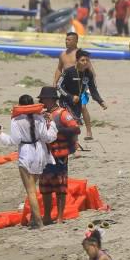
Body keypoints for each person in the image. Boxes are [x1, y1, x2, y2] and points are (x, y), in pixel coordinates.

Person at [0, 94, 57, 229]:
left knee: (30, 190)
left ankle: (38, 221)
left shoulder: (16, 120)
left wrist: (0, 134)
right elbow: (48, 137)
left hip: (26, 152)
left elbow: (14, 141)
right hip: (40, 152)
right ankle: (34, 219)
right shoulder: (40, 118)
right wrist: (51, 123)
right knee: (33, 188)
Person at [38, 86, 80, 225]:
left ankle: (60, 217)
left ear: (51, 99)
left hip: (59, 156)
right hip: (45, 156)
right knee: (45, 187)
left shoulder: (62, 113)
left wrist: (56, 127)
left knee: (60, 187)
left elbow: (76, 129)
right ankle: (47, 216)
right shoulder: (40, 114)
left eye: (44, 99)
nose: (42, 101)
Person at [58, 49, 107, 141]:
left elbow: (93, 89)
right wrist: (70, 96)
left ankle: (74, 144)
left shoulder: (88, 74)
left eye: (87, 60)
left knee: (75, 124)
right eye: (83, 60)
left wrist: (100, 101)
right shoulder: (68, 71)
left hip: (78, 102)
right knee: (67, 122)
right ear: (77, 61)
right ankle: (69, 144)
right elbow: (59, 86)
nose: (85, 62)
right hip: (65, 101)